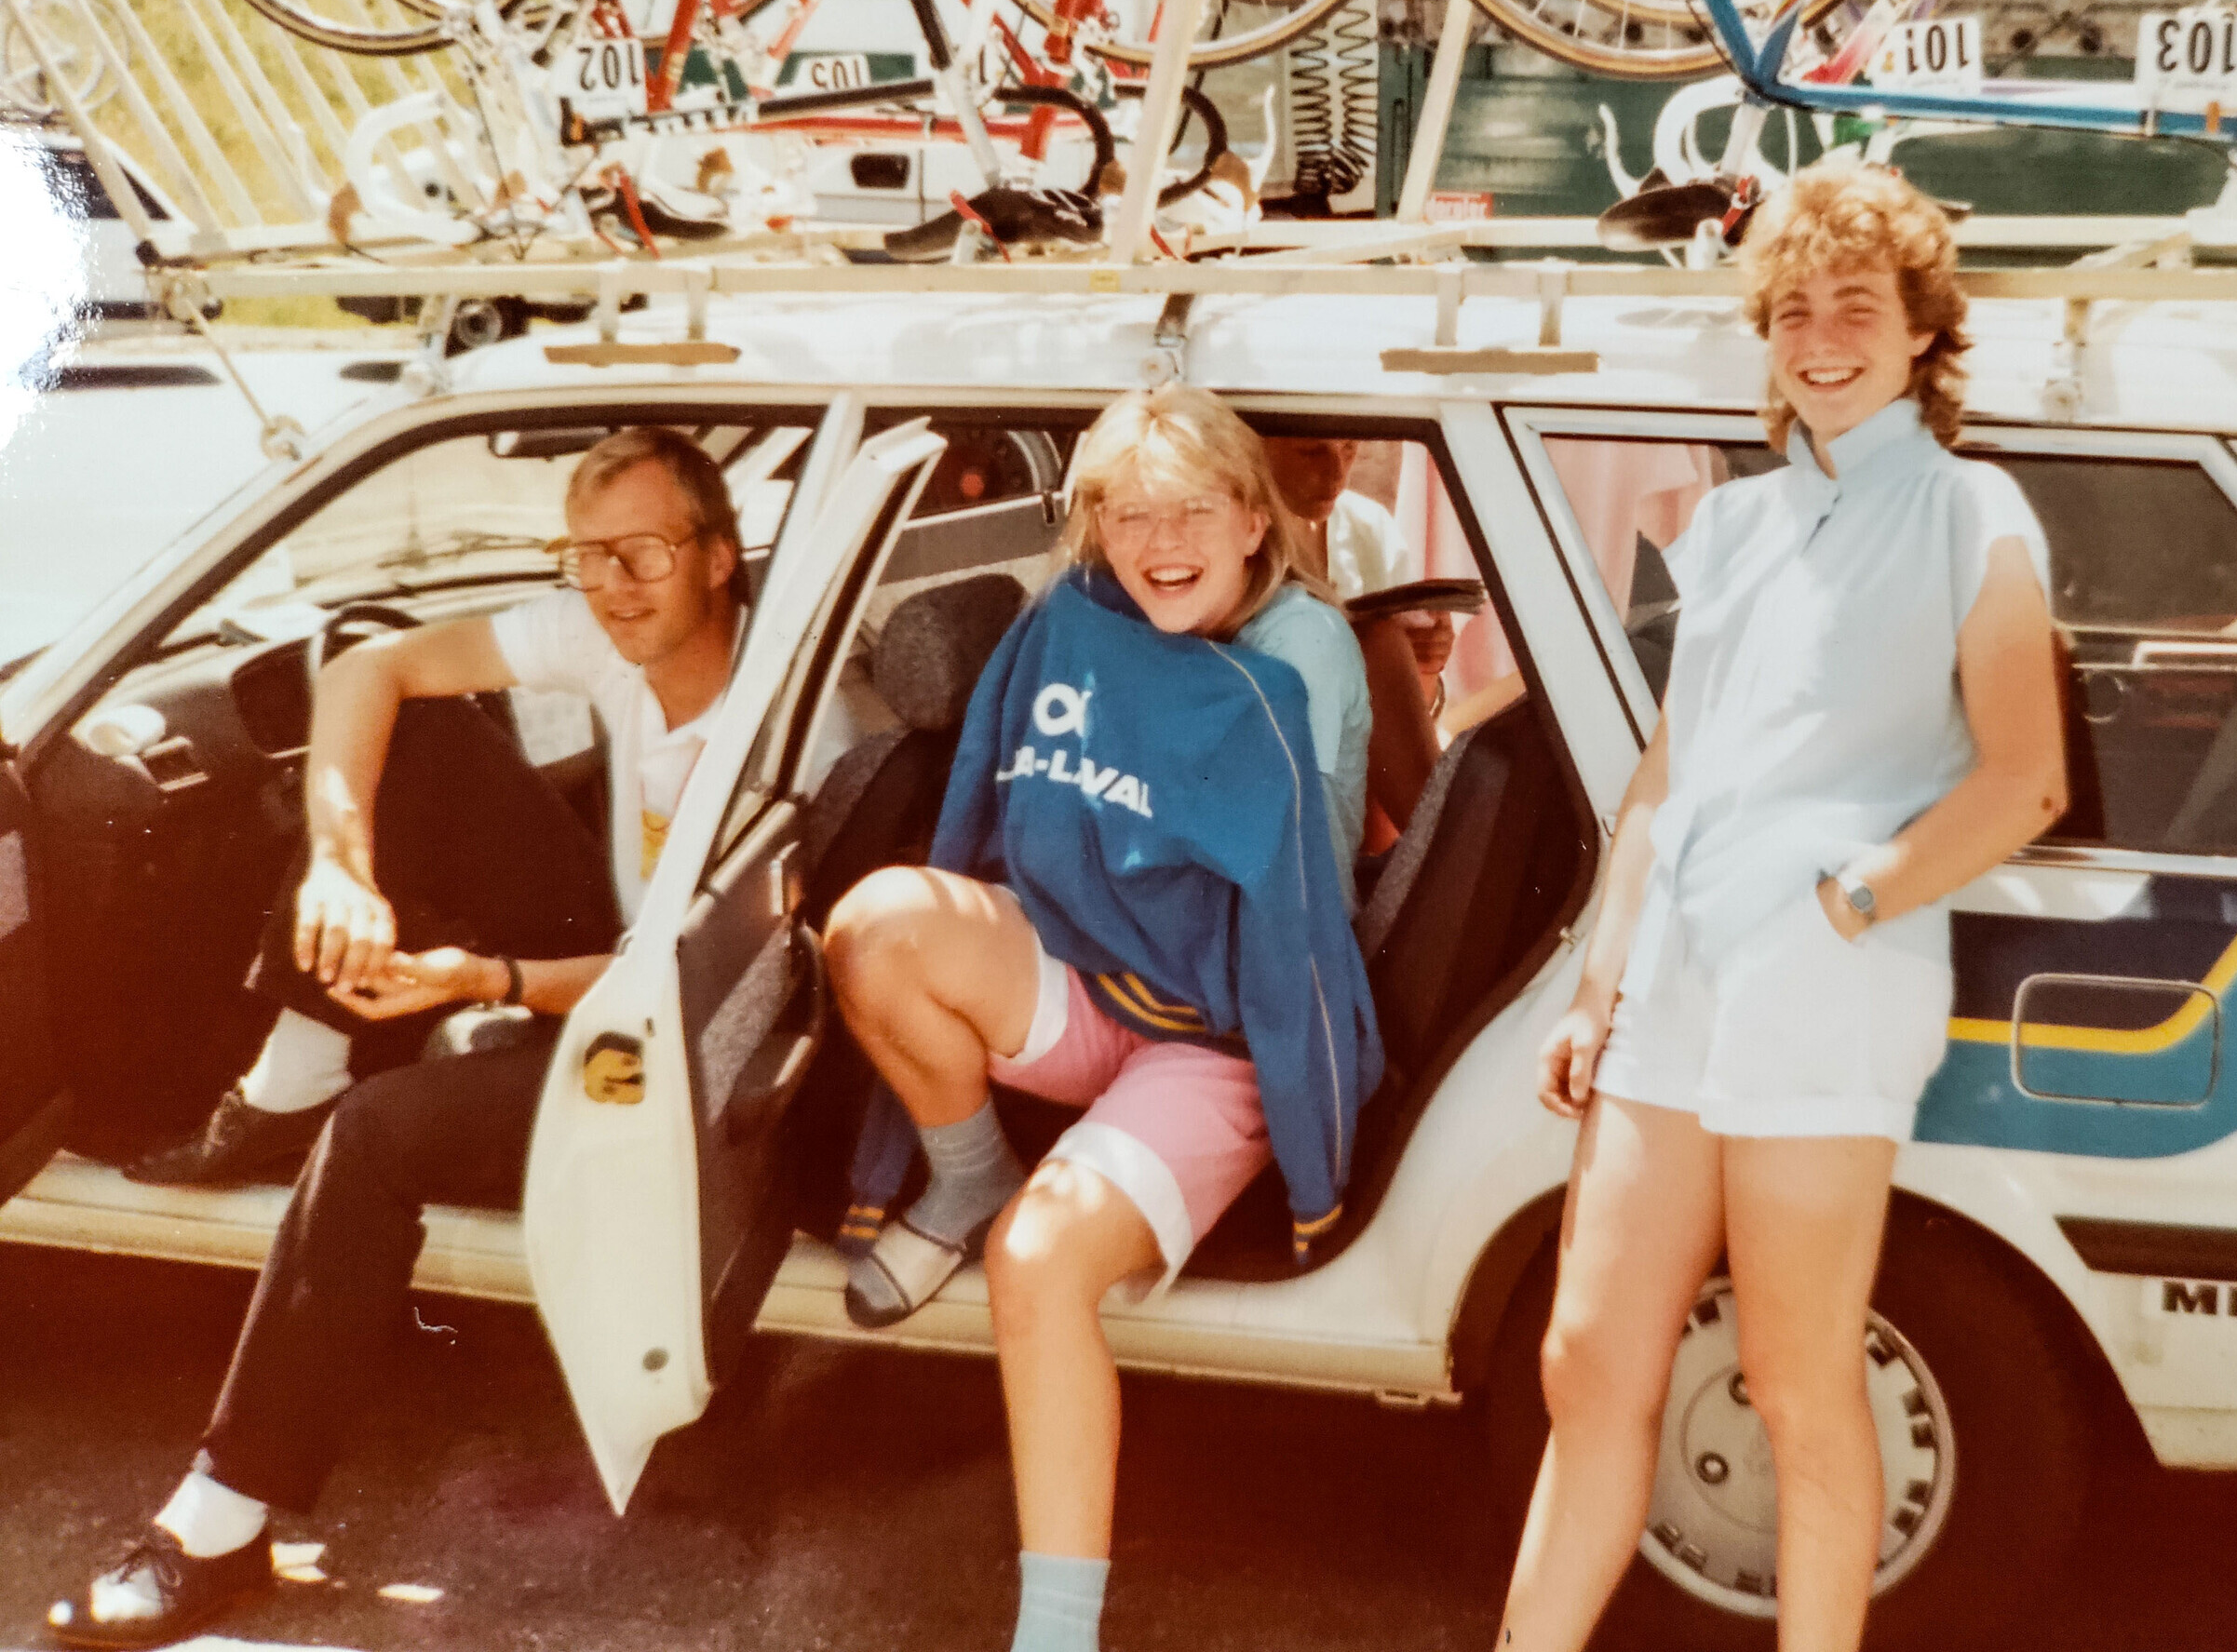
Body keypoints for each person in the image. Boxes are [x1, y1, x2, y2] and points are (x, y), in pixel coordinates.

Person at [47, 428, 804, 1648]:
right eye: (588, 555)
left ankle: (219, 1515)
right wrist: (340, 874)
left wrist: (489, 975)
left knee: (379, 1134)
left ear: (719, 557)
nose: (612, 583)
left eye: (645, 552)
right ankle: (294, 1066)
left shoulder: (787, 707)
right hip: (618, 956)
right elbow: (366, 670)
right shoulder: (611, 631)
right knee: (418, 736)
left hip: (700, 1039)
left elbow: (714, 975)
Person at [1494, 162, 2068, 1652]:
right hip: (1678, 976)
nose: (1822, 337)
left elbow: (2025, 781)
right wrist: (1598, 981)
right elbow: (1665, 780)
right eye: (1795, 309)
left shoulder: (1971, 505)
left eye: (1856, 306)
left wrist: (1849, 900)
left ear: (1922, 331)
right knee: (1587, 1358)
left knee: (1802, 1376)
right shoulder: (1736, 524)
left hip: (1827, 977)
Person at [821, 385, 1379, 1652]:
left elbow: (1304, 908)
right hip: (1083, 971)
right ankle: (962, 1171)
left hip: (1219, 1027)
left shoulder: (1301, 655)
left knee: (1037, 1259)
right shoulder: (1083, 620)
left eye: (1192, 507)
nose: (1160, 538)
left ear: (1253, 518)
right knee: (874, 925)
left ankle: (1056, 1634)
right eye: (1128, 512)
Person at [1264, 436, 1450, 833]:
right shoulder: (1232, 536)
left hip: (1371, 782)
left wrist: (1426, 665)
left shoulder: (1369, 527)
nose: (1335, 474)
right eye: (1310, 451)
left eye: (1349, 449)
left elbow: (1408, 708)